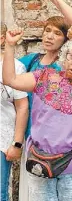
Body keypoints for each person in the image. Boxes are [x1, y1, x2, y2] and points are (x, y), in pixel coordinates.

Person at [3, 30, 72, 201]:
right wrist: (10, 45)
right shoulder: (45, 76)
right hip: (40, 163)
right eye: (71, 57)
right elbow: (10, 80)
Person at [18, 0, 72, 201]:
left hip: (56, 144)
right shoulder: (32, 61)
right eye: (47, 31)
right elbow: (7, 72)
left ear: (66, 39)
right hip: (30, 138)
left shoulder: (65, 67)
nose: (50, 36)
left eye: (57, 33)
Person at [0, 23, 29, 201]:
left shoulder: (15, 67)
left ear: (1, 38)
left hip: (2, 139)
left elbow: (22, 106)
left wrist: (17, 143)